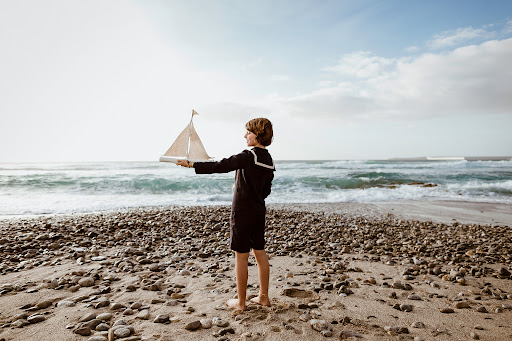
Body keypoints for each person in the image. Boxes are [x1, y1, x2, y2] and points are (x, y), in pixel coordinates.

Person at [177, 118, 275, 311]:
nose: (245, 135)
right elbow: (266, 190)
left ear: (258, 134)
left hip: (242, 212)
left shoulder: (248, 155)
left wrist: (191, 164)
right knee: (260, 252)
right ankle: (263, 297)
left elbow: (221, 165)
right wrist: (249, 190)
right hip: (258, 211)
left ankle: (240, 303)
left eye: (248, 132)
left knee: (241, 255)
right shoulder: (268, 159)